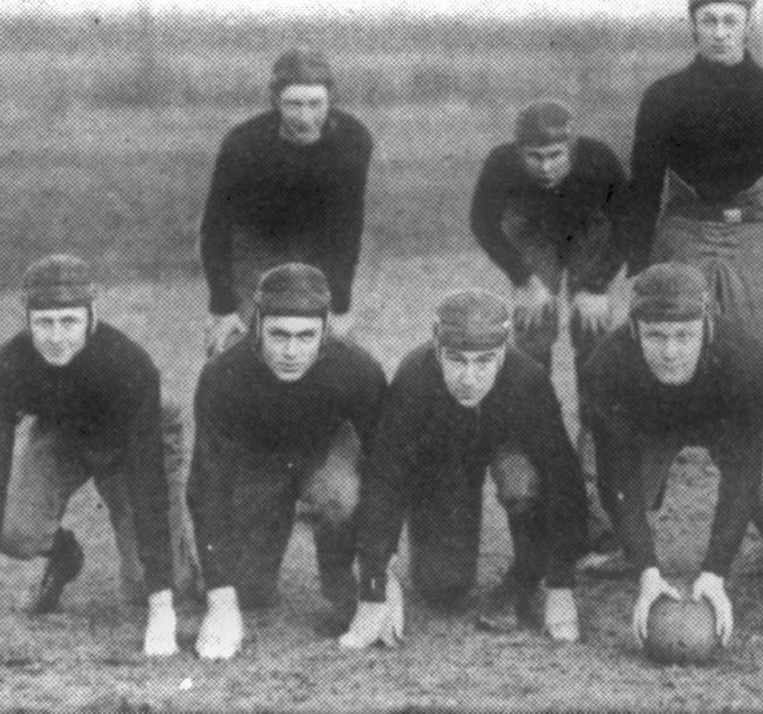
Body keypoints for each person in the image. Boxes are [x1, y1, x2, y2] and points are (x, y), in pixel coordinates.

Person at [617, 0, 763, 582]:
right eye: (707, 20)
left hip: (758, 233)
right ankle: (628, 518)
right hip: (685, 230)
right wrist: (638, 270)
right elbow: (643, 186)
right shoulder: (664, 96)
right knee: (663, 354)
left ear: (748, 23)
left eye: (731, 20)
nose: (719, 31)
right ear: (692, 25)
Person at [580, 263, 763, 648]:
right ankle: (625, 548)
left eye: (684, 335)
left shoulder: (744, 361)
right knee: (601, 511)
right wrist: (647, 571)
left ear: (707, 326)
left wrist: (715, 573)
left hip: (722, 421)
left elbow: (742, 475)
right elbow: (617, 475)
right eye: (655, 335)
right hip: (649, 425)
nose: (670, 351)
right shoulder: (606, 364)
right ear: (633, 330)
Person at [0, 255, 187, 656]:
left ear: (92, 315)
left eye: (69, 321)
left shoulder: (130, 364)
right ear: (26, 319)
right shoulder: (3, 366)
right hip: (63, 432)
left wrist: (162, 606)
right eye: (44, 322)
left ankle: (180, 561)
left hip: (134, 438)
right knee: (14, 530)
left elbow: (148, 479)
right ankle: (64, 553)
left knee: (147, 586)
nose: (57, 336)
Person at [340, 289, 589, 648]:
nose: (469, 378)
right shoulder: (414, 377)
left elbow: (563, 476)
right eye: (457, 360)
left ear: (503, 351)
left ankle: (525, 576)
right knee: (443, 587)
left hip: (506, 450)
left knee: (522, 481)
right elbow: (386, 477)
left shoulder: (528, 379)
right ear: (437, 346)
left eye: (484, 361)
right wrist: (377, 581)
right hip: (444, 459)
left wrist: (561, 584)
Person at [187, 263, 388, 660]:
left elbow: (387, 470)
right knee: (249, 592)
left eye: (305, 336)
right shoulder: (223, 375)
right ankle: (258, 534)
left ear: (326, 330)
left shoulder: (358, 369)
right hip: (260, 460)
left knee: (341, 494)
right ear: (257, 326)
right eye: (279, 335)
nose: (292, 351)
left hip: (327, 454)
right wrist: (220, 600)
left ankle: (339, 574)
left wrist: (381, 576)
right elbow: (207, 484)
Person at [468, 98, 624, 557]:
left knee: (595, 345)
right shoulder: (501, 164)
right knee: (532, 333)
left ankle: (598, 506)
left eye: (555, 155)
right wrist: (524, 279)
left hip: (588, 231)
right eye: (534, 156)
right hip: (534, 232)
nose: (546, 166)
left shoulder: (598, 159)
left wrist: (596, 285)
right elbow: (482, 222)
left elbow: (630, 221)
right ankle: (538, 483)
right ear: (519, 151)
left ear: (572, 147)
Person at [200, 47, 373, 356]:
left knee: (335, 354)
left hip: (318, 249)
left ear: (331, 99)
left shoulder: (352, 139)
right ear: (276, 101)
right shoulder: (243, 143)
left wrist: (341, 306)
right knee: (239, 350)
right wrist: (222, 308)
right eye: (294, 104)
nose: (306, 117)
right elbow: (216, 227)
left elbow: (348, 227)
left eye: (315, 104)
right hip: (255, 248)